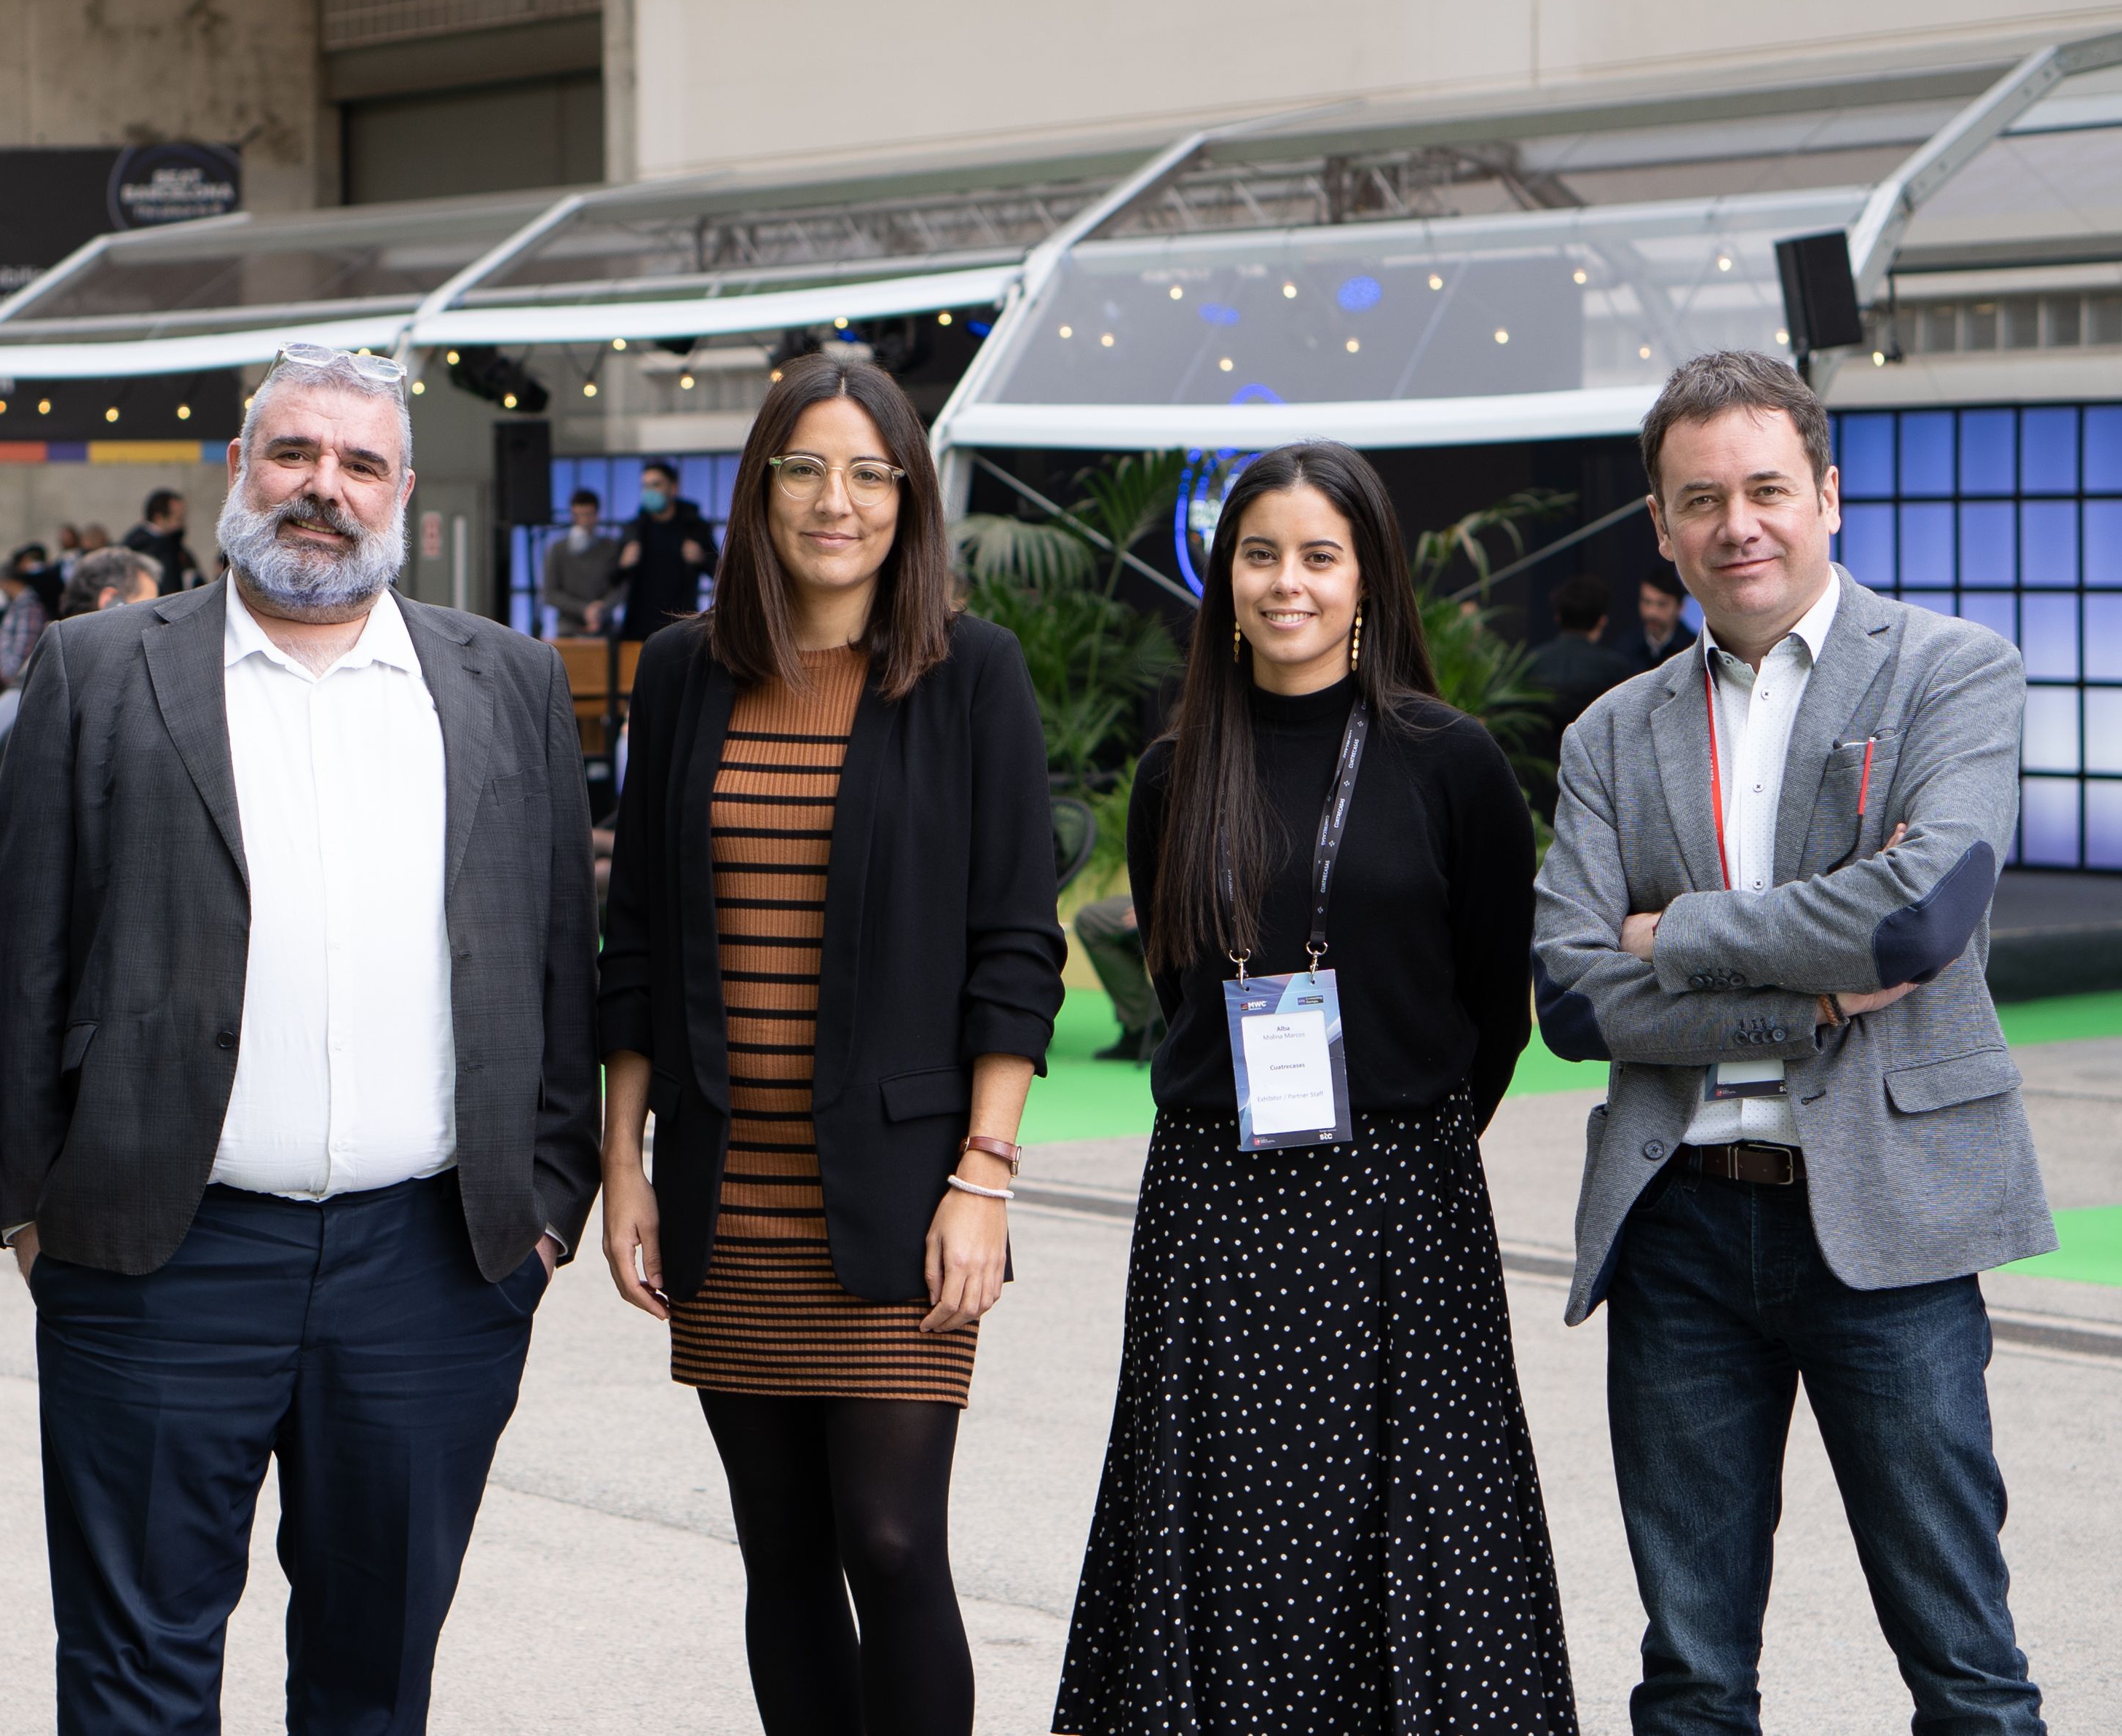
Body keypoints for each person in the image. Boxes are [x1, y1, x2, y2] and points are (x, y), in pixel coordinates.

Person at [0, 340, 600, 1735]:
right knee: (135, 1672)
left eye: (360, 463)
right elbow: (16, 950)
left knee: (374, 1676)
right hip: (154, 1260)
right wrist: (35, 1211)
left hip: (431, 1270)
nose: (323, 488)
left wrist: (544, 1210)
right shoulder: (95, 669)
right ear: (238, 471)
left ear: (403, 494)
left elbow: (562, 952)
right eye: (295, 453)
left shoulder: (505, 680)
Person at [1533, 352, 2051, 1735]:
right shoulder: (1608, 733)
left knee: (1965, 1660)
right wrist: (1804, 998)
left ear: (1827, 493)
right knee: (1694, 1673)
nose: (1737, 524)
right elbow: (1576, 996)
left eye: (1767, 488)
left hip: (1889, 1221)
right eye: (1701, 499)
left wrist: (1678, 932)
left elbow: (1916, 915)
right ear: (1661, 524)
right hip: (1683, 1233)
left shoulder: (1952, 670)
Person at [1056, 441, 1574, 1735]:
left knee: (1418, 1531)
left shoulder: (1450, 762)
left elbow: (1491, 1010)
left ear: (1368, 579)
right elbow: (1183, 993)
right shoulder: (1180, 770)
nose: (1289, 582)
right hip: (1215, 1204)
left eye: (1320, 556)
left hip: (1401, 1200)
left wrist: (1398, 1132)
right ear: (1227, 577)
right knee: (1224, 1536)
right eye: (1261, 553)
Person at [598, 355, 1065, 1736]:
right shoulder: (685, 670)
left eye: (870, 471)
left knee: (895, 1540)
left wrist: (985, 1175)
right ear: (759, 489)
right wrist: (625, 1166)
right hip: (728, 1190)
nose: (836, 500)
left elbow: (1014, 949)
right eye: (805, 466)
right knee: (783, 1551)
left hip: (907, 1189)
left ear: (910, 498)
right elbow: (639, 936)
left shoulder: (971, 673)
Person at [0, 546, 159, 850]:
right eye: (149, 608)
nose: (159, 625)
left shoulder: (37, 688)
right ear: (110, 601)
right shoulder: (69, 703)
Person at [1523, 571, 1639, 818]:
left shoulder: (1529, 666)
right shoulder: (1618, 670)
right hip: (1597, 794)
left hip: (1536, 793)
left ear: (1557, 617)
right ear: (1602, 621)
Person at [617, 458, 719, 644]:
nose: (649, 491)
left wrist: (701, 558)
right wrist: (622, 565)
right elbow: (612, 579)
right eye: (645, 486)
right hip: (639, 626)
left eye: (656, 485)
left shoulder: (695, 527)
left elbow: (720, 573)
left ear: (673, 488)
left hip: (682, 624)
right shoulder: (634, 529)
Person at [1072, 893, 1162, 1060]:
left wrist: (1161, 905)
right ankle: (1145, 1023)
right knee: (1098, 914)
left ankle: (1153, 1023)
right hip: (1163, 894)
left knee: (1090, 921)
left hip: (1192, 900)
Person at [543, 487, 627, 635]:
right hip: (568, 629)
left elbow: (619, 587)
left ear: (597, 515)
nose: (584, 521)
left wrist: (601, 609)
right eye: (578, 515)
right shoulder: (558, 549)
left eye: (588, 515)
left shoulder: (611, 548)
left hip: (604, 627)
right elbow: (550, 593)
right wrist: (584, 609)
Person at [122, 484, 205, 593]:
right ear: (159, 518)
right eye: (178, 519)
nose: (182, 525)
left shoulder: (169, 546)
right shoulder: (151, 547)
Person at [0, 549, 50, 689]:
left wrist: (10, 675)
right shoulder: (16, 606)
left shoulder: (29, 607)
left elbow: (25, 647)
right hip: (16, 684)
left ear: (6, 582)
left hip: (21, 685)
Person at [1622, 561, 1692, 669]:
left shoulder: (1694, 650)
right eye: (1647, 602)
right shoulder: (1624, 648)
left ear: (1680, 607)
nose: (1652, 612)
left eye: (1662, 604)